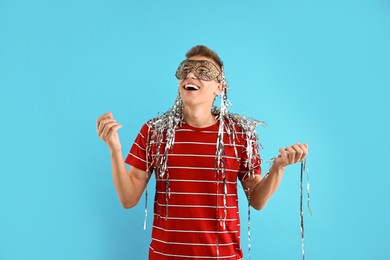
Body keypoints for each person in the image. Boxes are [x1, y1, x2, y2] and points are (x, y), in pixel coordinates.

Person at [96, 45, 308, 260]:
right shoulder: (154, 131)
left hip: (222, 256)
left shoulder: (240, 134)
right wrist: (115, 150)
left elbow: (257, 200)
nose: (190, 74)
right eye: (186, 69)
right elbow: (128, 198)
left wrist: (278, 168)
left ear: (220, 87)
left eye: (203, 71)